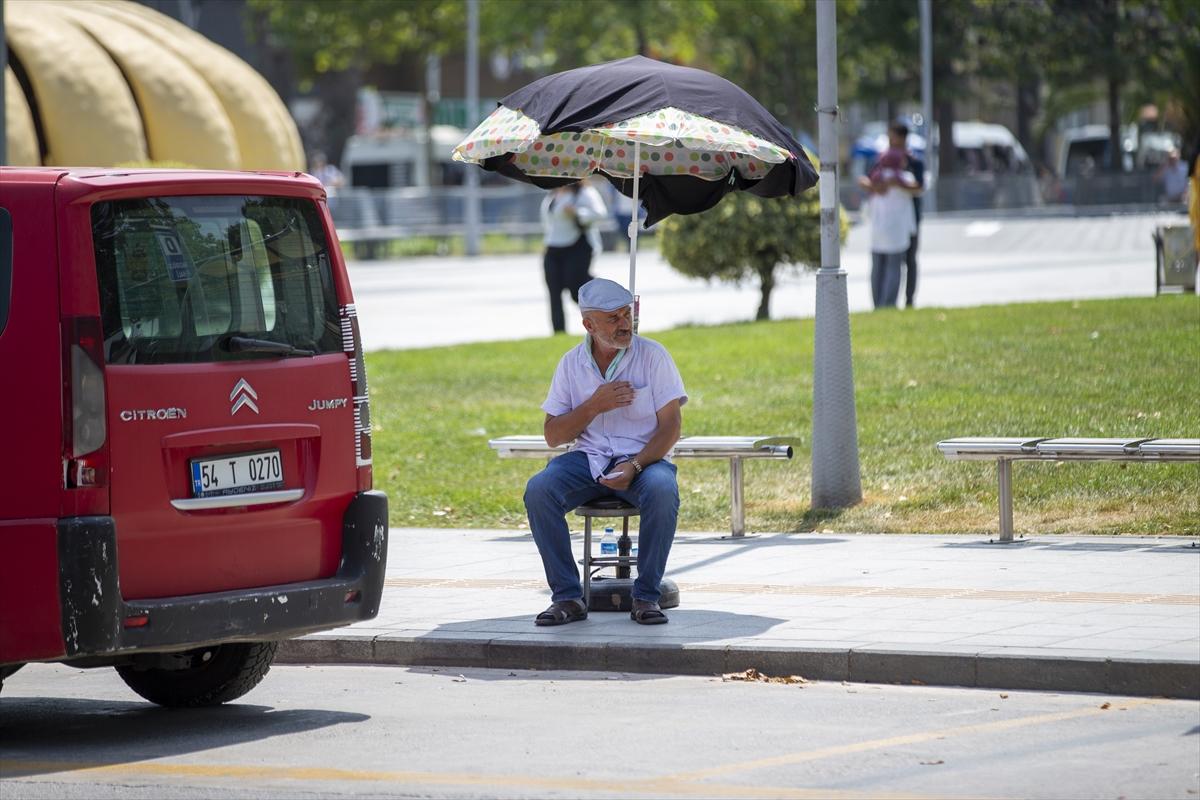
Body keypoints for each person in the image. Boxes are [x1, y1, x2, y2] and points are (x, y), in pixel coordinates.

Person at [523, 278, 687, 626]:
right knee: (539, 490)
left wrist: (636, 464)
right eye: (612, 318)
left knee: (662, 490)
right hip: (589, 459)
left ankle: (645, 597)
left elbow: (671, 427)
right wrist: (593, 407)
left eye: (626, 314)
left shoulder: (653, 356)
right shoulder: (571, 364)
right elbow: (553, 435)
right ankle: (567, 597)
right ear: (588, 324)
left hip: (645, 459)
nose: (624, 323)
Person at [858, 125, 919, 309]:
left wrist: (874, 186)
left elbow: (864, 181)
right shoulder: (904, 178)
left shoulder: (877, 177)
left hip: (878, 230)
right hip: (897, 232)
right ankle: (888, 303)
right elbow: (919, 188)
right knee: (894, 268)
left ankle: (878, 303)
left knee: (877, 268)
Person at [540, 181, 607, 334]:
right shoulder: (552, 194)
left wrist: (577, 212)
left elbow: (600, 213)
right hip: (552, 249)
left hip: (578, 246)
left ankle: (604, 312)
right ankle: (559, 333)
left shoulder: (584, 192)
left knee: (575, 289)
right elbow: (548, 223)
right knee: (554, 292)